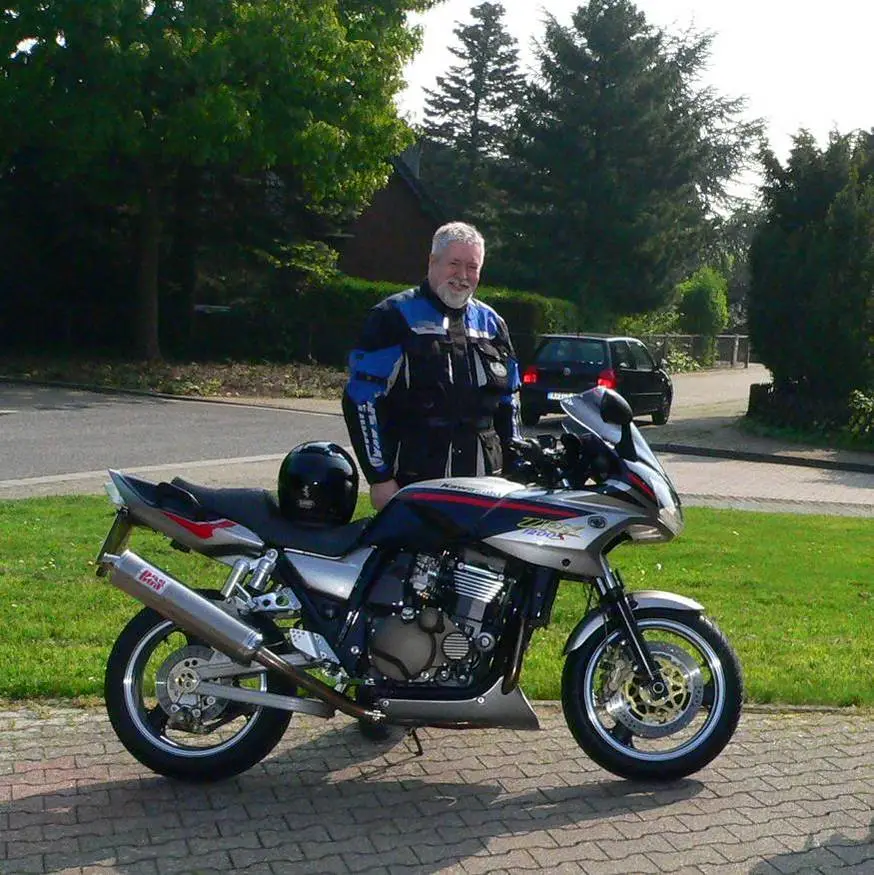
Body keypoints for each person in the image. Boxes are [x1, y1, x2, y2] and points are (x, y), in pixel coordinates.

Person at [342, 222, 522, 511]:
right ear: (432, 261)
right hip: (416, 482)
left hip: (486, 482)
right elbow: (361, 400)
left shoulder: (492, 324)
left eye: (472, 267)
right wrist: (380, 477)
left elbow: (509, 400)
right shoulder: (393, 316)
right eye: (454, 264)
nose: (462, 276)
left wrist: (516, 460)